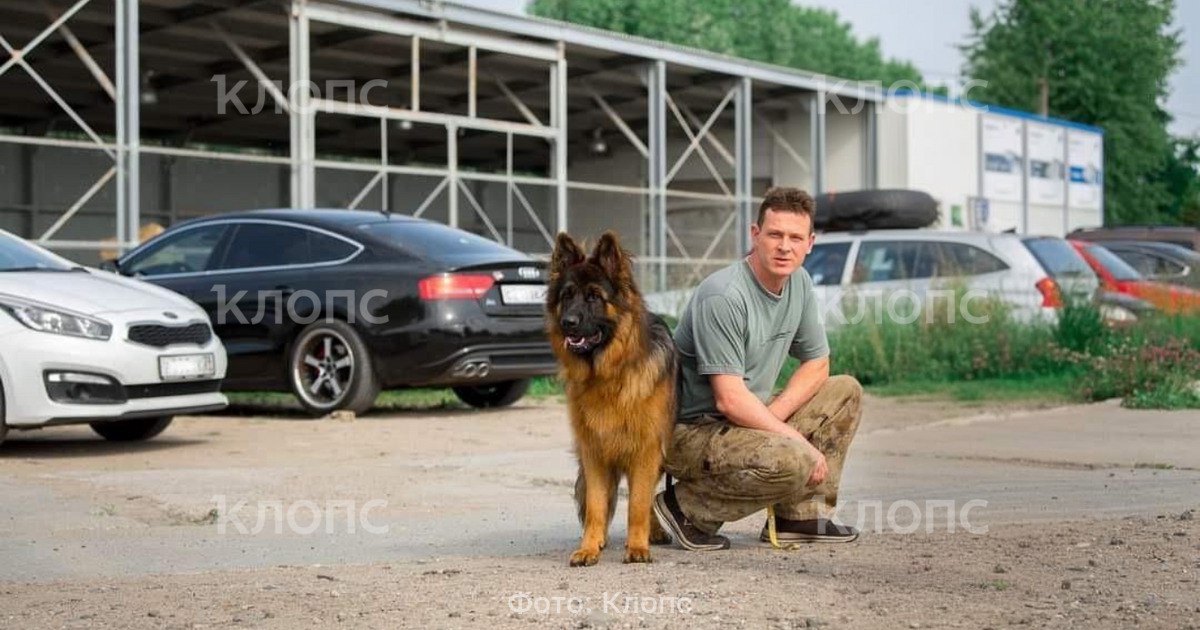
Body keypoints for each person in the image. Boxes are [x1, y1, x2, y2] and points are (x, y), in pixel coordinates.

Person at [653, 186, 863, 550]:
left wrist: (774, 418)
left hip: (744, 417)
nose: (785, 246)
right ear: (755, 235)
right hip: (691, 432)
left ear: (809, 243)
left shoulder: (799, 282)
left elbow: (818, 363)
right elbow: (729, 400)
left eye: (795, 237)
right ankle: (686, 510)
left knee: (844, 391)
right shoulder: (724, 295)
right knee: (794, 459)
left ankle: (796, 517)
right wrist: (793, 438)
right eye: (775, 234)